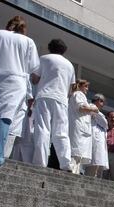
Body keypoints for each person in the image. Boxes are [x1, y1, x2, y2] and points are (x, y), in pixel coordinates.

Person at [0, 16, 39, 165]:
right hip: (15, 81)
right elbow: (33, 67)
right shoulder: (28, 42)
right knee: (4, 117)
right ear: (24, 28)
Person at [32, 39, 75, 171]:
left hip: (44, 96)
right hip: (61, 99)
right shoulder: (70, 65)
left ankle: (40, 162)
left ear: (50, 47)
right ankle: (66, 163)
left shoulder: (44, 58)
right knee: (61, 132)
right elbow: (72, 88)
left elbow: (35, 79)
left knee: (43, 129)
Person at [68, 79, 97, 174]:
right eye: (86, 86)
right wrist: (94, 109)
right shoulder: (78, 94)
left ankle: (75, 172)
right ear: (79, 86)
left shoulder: (76, 95)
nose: (87, 89)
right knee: (75, 153)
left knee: (78, 154)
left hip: (80, 128)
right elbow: (82, 108)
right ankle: (72, 173)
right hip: (78, 128)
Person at [85, 94, 108, 178]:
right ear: (97, 100)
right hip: (92, 140)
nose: (103, 104)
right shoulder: (90, 107)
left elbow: (105, 124)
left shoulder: (98, 112)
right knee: (92, 168)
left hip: (99, 142)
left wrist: (97, 113)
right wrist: (97, 113)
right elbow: (104, 123)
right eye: (102, 101)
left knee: (98, 168)